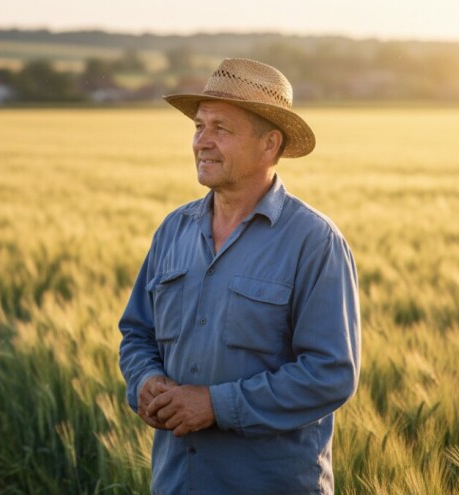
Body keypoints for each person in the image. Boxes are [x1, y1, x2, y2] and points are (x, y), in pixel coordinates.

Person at [118, 58, 361, 494]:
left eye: (221, 129)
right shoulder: (173, 231)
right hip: (176, 482)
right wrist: (146, 381)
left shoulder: (314, 241)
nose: (202, 142)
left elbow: (330, 374)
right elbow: (137, 333)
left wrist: (216, 406)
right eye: (199, 126)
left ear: (269, 145)